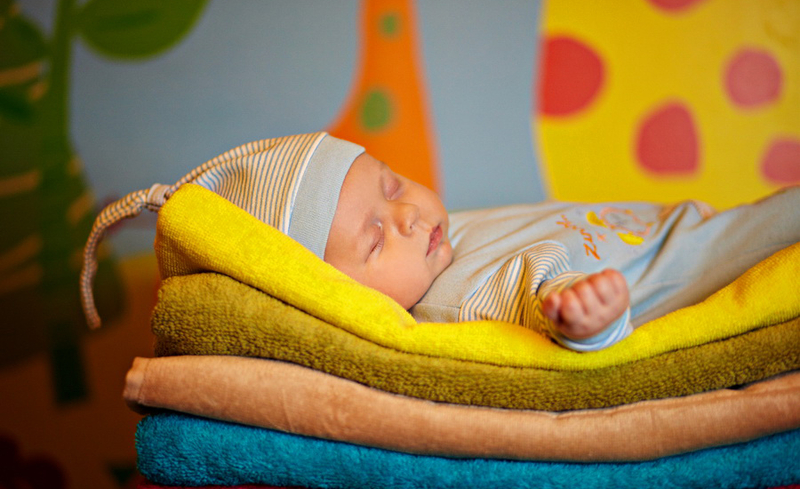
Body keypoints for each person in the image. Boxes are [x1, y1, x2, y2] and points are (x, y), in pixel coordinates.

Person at [82, 132, 799, 352]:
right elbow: (544, 306)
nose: (405, 215)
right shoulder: (451, 300)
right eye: (372, 241)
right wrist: (590, 321)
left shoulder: (438, 243)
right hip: (697, 262)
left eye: (391, 186)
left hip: (674, 223)